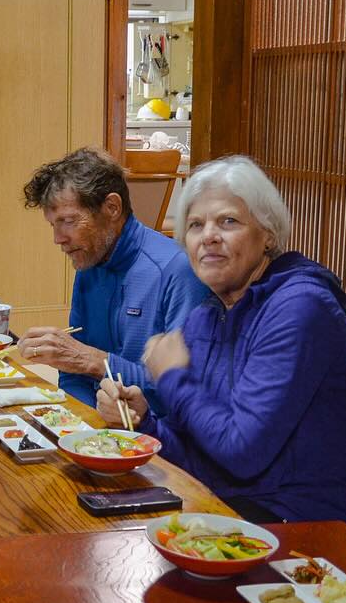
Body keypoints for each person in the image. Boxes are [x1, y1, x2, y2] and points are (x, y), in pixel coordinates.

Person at [97, 156, 346, 526]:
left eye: (228, 221)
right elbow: (198, 453)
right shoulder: (206, 316)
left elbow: (241, 453)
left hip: (298, 526)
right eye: (195, 225)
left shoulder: (301, 308)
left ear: (267, 234)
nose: (208, 236)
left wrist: (173, 376)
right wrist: (144, 422)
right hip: (223, 505)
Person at [19, 147, 208, 410]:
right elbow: (73, 372)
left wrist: (97, 362)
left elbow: (186, 390)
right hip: (99, 433)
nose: (58, 238)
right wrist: (86, 425)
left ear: (112, 207)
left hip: (158, 438)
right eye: (54, 224)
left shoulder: (177, 270)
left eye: (69, 221)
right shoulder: (90, 261)